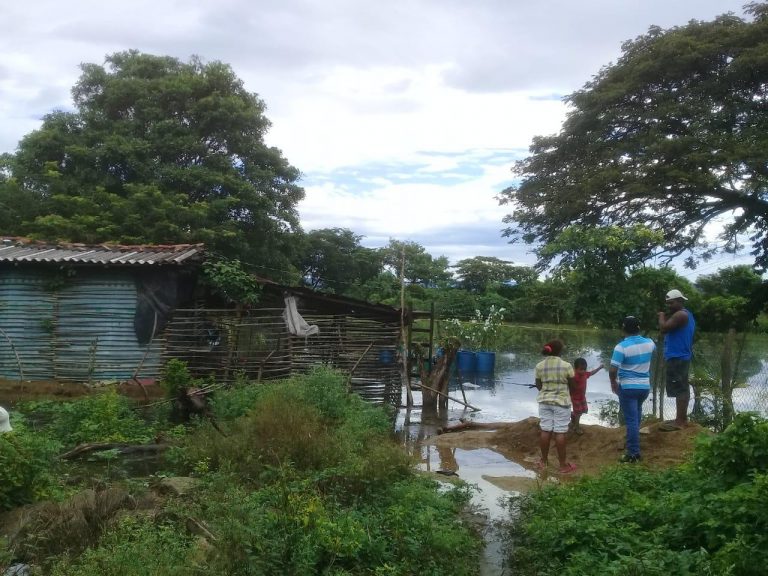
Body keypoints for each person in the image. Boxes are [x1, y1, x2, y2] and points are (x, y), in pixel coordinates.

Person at [609, 316, 656, 463]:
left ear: (623, 329)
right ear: (639, 328)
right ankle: (633, 440)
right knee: (636, 417)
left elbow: (612, 369)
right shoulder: (650, 343)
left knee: (631, 419)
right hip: (644, 387)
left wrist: (613, 382)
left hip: (628, 388)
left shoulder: (621, 347)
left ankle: (633, 453)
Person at [534, 339, 577, 474]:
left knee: (545, 430)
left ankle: (544, 461)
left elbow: (538, 385)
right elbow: (573, 386)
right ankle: (563, 465)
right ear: (560, 351)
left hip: (544, 402)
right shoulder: (567, 366)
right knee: (560, 432)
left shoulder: (539, 366)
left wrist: (547, 391)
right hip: (561, 403)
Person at [658, 288, 696, 431]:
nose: (669, 306)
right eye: (667, 303)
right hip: (679, 355)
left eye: (671, 303)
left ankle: (680, 422)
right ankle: (681, 419)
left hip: (678, 356)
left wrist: (661, 316)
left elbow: (663, 328)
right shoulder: (685, 315)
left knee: (680, 388)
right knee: (681, 387)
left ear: (680, 301)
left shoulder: (680, 315)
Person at [569, 358, 603, 435]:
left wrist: (599, 368)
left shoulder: (584, 374)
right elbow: (569, 385)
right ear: (575, 369)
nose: (583, 371)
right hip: (575, 398)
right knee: (578, 413)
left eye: (584, 369)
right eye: (581, 369)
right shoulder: (574, 376)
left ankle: (572, 415)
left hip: (582, 397)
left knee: (583, 410)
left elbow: (592, 373)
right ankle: (576, 427)